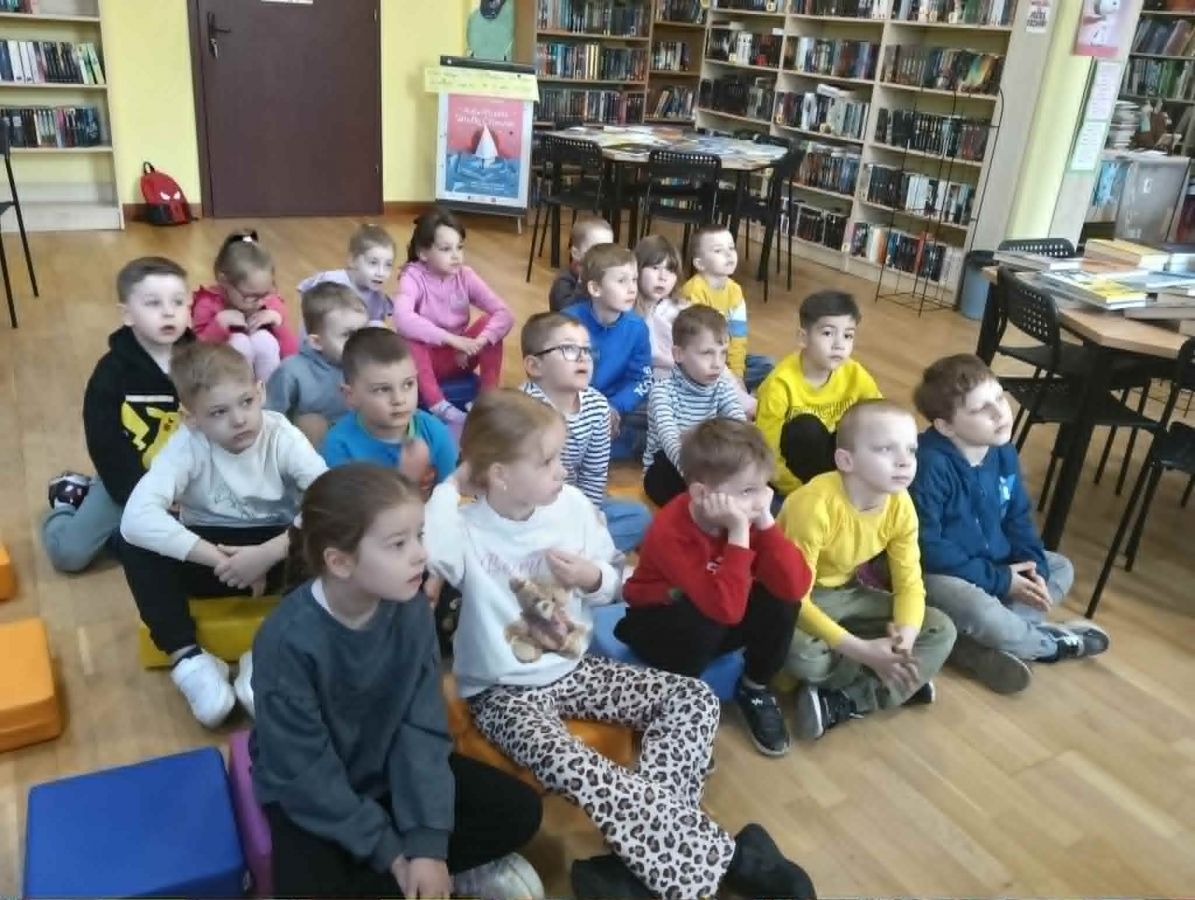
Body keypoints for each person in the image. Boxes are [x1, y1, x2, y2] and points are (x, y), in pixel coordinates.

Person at [424, 389, 816, 900]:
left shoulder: (570, 506)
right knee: (586, 769)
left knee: (693, 698)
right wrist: (453, 481)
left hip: (576, 669)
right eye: (547, 461)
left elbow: (615, 583)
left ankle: (636, 872)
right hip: (503, 694)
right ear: (498, 474)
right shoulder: (464, 528)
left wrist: (591, 577)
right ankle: (735, 857)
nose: (562, 469)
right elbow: (434, 551)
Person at [251, 464, 544, 900]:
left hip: (387, 772)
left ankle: (436, 875)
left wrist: (428, 845)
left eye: (419, 536)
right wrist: (390, 852)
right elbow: (304, 774)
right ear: (340, 562)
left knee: (520, 810)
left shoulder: (410, 609)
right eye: (398, 544)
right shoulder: (285, 642)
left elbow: (421, 728)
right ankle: (425, 878)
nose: (421, 554)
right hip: (315, 790)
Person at [119, 342, 328, 728]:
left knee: (333, 539)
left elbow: (331, 499)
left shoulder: (281, 436)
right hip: (215, 558)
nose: (239, 420)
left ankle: (271, 654)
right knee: (131, 543)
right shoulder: (186, 445)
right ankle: (189, 659)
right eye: (218, 412)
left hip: (277, 557)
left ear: (261, 392)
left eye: (246, 402)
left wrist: (267, 554)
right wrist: (225, 561)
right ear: (191, 418)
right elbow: (135, 518)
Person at [909, 354, 1110, 694]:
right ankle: (1048, 645)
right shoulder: (929, 465)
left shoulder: (1002, 451)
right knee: (979, 609)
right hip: (943, 574)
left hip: (996, 566)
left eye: (1000, 397)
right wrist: (1001, 580)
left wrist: (1033, 570)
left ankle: (976, 648)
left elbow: (1017, 516)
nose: (1000, 412)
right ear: (946, 427)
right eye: (980, 409)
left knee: (1059, 567)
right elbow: (927, 547)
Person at [620, 419, 813, 757]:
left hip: (718, 612)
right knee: (703, 618)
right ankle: (673, 709)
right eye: (747, 491)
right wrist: (738, 534)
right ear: (701, 494)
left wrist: (766, 523)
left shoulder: (751, 515)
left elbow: (796, 586)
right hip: (657, 626)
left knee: (782, 600)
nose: (761, 500)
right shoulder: (671, 531)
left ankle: (754, 688)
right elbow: (724, 611)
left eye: (764, 487)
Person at [777, 400, 957, 740]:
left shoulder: (900, 503)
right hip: (789, 599)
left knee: (940, 629)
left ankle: (849, 698)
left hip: (846, 592)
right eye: (886, 449)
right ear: (846, 460)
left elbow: (910, 583)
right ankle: (892, 681)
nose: (904, 460)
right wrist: (862, 651)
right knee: (805, 657)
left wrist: (905, 639)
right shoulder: (813, 505)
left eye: (911, 449)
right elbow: (793, 598)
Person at [43, 257, 192, 574]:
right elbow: (105, 444)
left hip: (191, 482)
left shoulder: (203, 362)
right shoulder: (111, 373)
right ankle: (67, 503)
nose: (169, 312)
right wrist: (143, 494)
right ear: (127, 315)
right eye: (153, 303)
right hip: (127, 480)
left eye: (178, 302)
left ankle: (123, 535)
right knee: (69, 555)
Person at [520, 311, 652, 553]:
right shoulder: (523, 408)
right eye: (569, 349)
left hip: (573, 503)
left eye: (587, 349)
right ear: (535, 366)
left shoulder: (598, 405)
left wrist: (586, 516)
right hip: (528, 508)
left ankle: (569, 550)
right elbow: (515, 481)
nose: (583, 357)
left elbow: (593, 474)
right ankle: (572, 551)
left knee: (640, 517)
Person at [393, 208, 513, 437]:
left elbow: (504, 313)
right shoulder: (412, 276)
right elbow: (402, 318)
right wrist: (453, 340)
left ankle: (486, 400)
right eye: (446, 249)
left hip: (459, 357)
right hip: (424, 363)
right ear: (423, 252)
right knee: (410, 339)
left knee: (492, 326)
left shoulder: (465, 275)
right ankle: (439, 405)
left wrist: (479, 341)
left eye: (460, 247)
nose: (456, 256)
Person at [756, 290, 881, 498]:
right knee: (806, 427)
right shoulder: (779, 384)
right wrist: (801, 493)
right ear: (803, 338)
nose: (839, 344)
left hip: (833, 455)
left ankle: (847, 490)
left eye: (848, 335)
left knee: (871, 427)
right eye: (828, 333)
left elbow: (882, 416)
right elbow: (767, 452)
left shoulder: (853, 372)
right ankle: (831, 494)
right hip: (796, 466)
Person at [320, 328, 456, 498]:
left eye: (408, 384)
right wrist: (407, 480)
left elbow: (451, 499)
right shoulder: (339, 446)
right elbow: (348, 512)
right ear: (350, 396)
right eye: (382, 389)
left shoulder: (435, 433)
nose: (399, 399)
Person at [638, 234, 756, 415]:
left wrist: (736, 378)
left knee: (758, 364)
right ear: (637, 269)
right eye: (655, 268)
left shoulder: (680, 307)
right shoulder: (630, 311)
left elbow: (713, 349)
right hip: (665, 382)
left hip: (700, 368)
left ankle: (744, 402)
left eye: (670, 270)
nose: (662, 277)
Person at [642, 305, 745, 508]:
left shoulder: (723, 386)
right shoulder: (662, 391)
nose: (718, 364)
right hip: (672, 465)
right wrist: (703, 480)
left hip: (711, 464)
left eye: (723, 353)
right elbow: (671, 442)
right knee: (665, 474)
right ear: (678, 354)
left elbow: (739, 427)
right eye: (707, 353)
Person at [563, 244, 652, 461]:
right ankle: (628, 443)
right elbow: (558, 375)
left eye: (634, 279)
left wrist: (615, 406)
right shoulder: (568, 323)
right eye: (622, 281)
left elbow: (641, 378)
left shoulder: (638, 327)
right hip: (575, 401)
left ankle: (618, 440)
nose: (632, 289)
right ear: (595, 289)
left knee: (661, 407)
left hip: (618, 403)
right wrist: (596, 409)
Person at [264, 282, 369, 449]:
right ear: (317, 342)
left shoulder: (367, 364)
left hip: (352, 439)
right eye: (348, 335)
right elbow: (270, 417)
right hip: (310, 447)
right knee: (311, 423)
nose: (360, 342)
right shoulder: (291, 371)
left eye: (364, 332)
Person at [192, 230, 299, 383]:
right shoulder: (208, 304)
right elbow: (196, 356)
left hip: (266, 383)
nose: (260, 302)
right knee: (239, 343)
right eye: (251, 296)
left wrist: (278, 323)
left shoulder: (271, 303)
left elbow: (292, 356)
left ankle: (269, 395)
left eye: (265, 294)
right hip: (222, 382)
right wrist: (218, 325)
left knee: (264, 341)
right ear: (224, 281)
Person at [677, 223, 773, 393]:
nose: (729, 254)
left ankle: (730, 389)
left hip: (724, 356)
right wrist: (731, 378)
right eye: (718, 250)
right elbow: (699, 345)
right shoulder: (693, 291)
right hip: (702, 358)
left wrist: (737, 373)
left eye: (731, 248)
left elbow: (738, 336)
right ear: (700, 263)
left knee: (767, 364)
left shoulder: (735, 291)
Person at [297, 223, 397, 325]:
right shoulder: (332, 281)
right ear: (352, 260)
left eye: (388, 265)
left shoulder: (378, 299)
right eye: (373, 263)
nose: (381, 273)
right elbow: (306, 297)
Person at [549, 217, 614, 312]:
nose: (605, 255)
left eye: (609, 249)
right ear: (576, 253)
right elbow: (565, 314)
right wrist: (582, 284)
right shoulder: (563, 282)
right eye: (596, 249)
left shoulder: (608, 275)